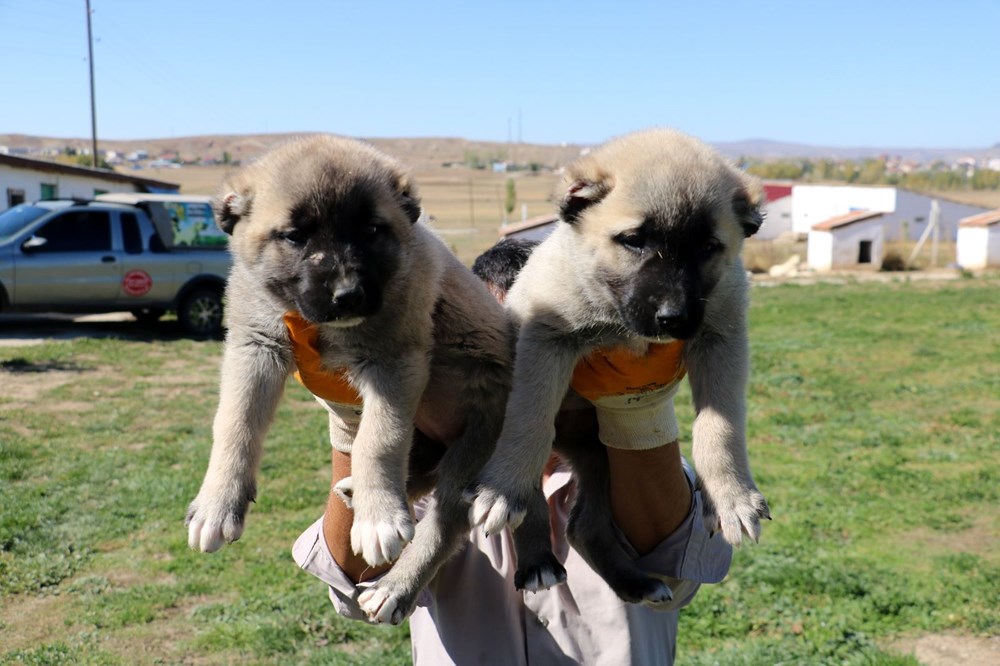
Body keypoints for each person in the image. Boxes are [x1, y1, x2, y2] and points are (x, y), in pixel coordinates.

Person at [293, 237, 732, 665]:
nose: (513, 380)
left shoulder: (633, 465)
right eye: (484, 352)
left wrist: (638, 411)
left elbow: (675, 577)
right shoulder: (432, 449)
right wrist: (354, 418)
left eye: (534, 352)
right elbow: (352, 582)